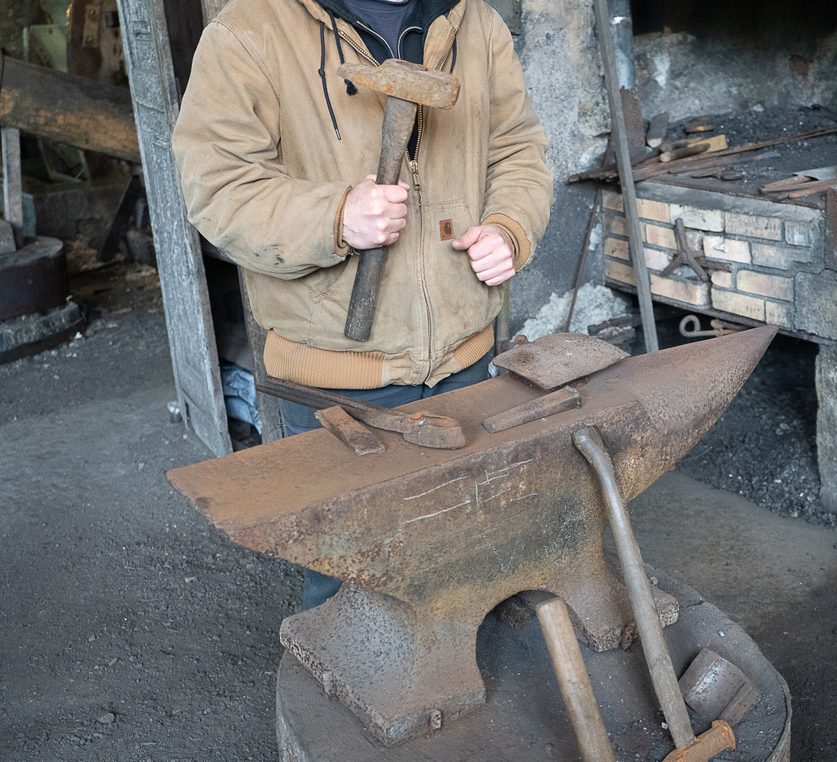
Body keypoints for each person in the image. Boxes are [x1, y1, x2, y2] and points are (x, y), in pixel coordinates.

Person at [172, 0, 554, 608]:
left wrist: (509, 227)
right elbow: (219, 191)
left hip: (469, 364)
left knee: (467, 555)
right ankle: (345, 698)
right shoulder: (249, 32)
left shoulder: (474, 23)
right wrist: (335, 217)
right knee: (353, 581)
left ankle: (457, 692)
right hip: (340, 388)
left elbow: (517, 149)